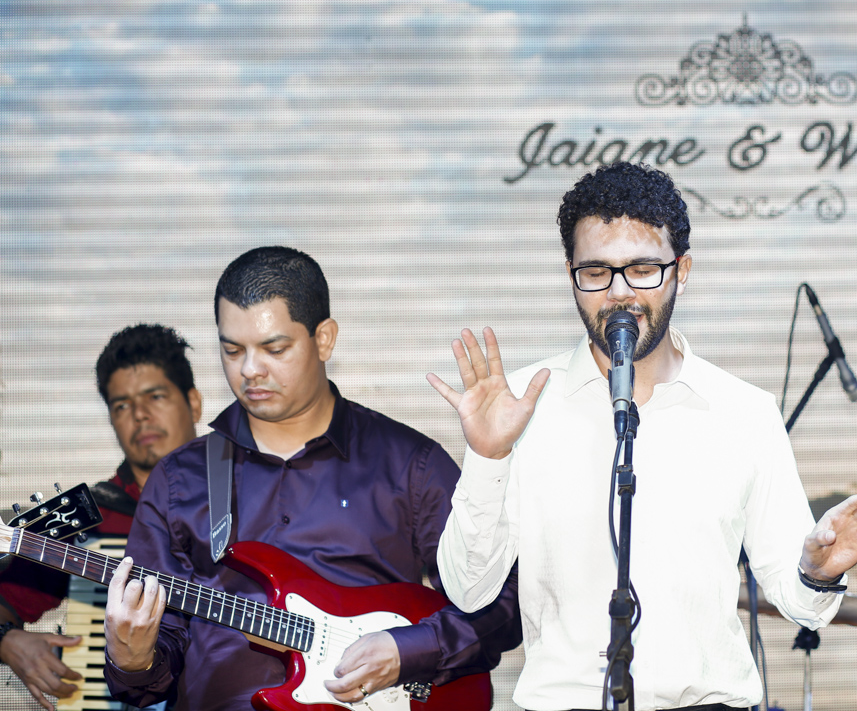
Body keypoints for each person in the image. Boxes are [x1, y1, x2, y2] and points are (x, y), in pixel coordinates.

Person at [428, 162, 857, 711]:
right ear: (570, 274)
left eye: (644, 269)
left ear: (682, 269)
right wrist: (488, 457)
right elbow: (468, 590)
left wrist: (817, 572)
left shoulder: (745, 413)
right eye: (596, 272)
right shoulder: (520, 406)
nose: (620, 294)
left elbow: (799, 603)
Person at [102, 246, 520, 711]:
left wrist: (407, 652)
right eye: (232, 350)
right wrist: (131, 656)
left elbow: (500, 606)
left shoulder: (408, 463)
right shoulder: (179, 480)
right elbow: (149, 680)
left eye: (274, 348)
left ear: (324, 339)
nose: (249, 370)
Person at [0, 323, 203, 711]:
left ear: (193, 402)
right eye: (121, 405)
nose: (140, 415)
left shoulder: (248, 498)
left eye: (155, 396)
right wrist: (8, 640)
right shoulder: (86, 516)